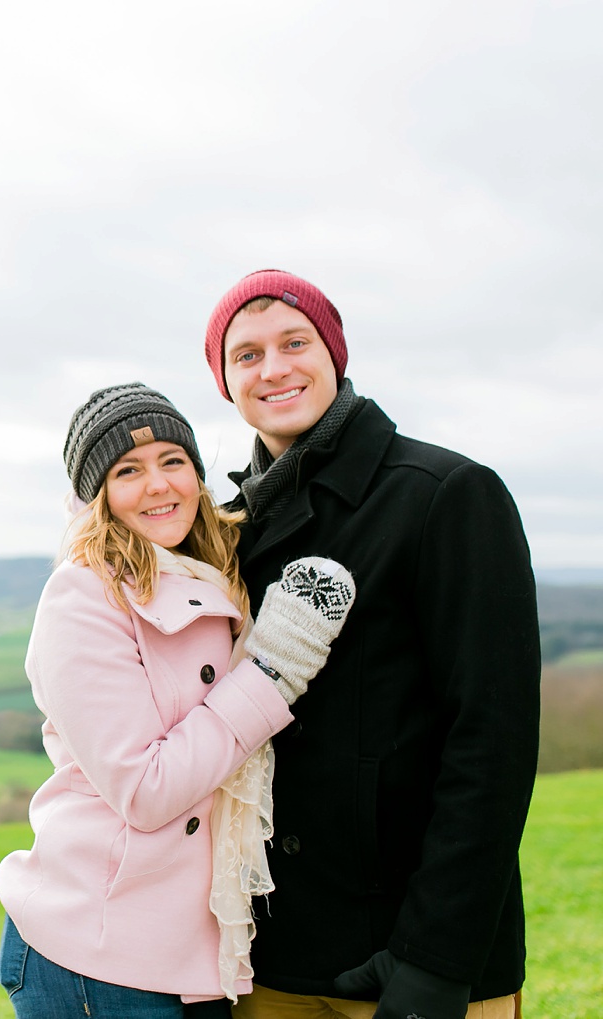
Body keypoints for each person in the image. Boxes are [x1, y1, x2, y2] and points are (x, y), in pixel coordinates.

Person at [203, 270, 541, 1019]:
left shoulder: (446, 493)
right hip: (272, 961)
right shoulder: (227, 530)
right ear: (226, 383)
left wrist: (436, 962)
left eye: (295, 342)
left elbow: (493, 743)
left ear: (334, 353)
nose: (275, 367)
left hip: (414, 962)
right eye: (247, 354)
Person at [0, 383, 357, 1017]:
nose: (157, 484)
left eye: (172, 461)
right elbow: (148, 789)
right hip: (98, 952)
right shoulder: (84, 597)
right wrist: (272, 671)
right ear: (97, 496)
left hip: (196, 952)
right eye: (127, 470)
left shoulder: (210, 576)